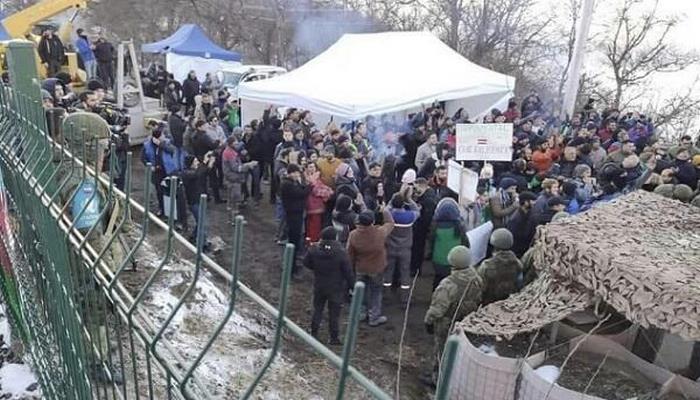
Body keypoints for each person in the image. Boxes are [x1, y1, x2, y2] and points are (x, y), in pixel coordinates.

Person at [424, 245, 482, 386]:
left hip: (447, 324)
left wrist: (428, 321)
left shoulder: (448, 284)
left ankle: (438, 381)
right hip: (467, 322)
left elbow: (437, 309)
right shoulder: (477, 278)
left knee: (442, 352)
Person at [303, 226, 355, 346]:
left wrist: (316, 269)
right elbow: (348, 272)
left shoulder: (314, 249)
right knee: (334, 314)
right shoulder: (341, 253)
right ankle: (334, 338)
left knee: (318, 309)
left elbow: (306, 263)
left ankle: (314, 332)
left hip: (319, 284)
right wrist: (353, 287)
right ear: (335, 238)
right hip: (336, 287)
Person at [347, 207, 394, 327]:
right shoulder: (380, 233)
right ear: (372, 222)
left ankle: (360, 314)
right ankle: (374, 317)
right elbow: (390, 223)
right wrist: (385, 210)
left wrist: (351, 270)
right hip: (377, 269)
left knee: (360, 292)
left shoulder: (353, 235)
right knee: (376, 292)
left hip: (360, 268)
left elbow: (349, 255)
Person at [383, 189, 420, 302]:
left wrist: (395, 196)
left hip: (390, 248)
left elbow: (386, 208)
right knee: (405, 272)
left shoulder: (389, 215)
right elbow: (417, 210)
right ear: (404, 204)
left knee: (388, 271)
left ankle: (386, 295)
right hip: (405, 249)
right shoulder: (409, 216)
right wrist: (408, 198)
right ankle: (405, 297)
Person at [428, 198, 468, 289]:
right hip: (455, 261)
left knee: (438, 280)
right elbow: (466, 244)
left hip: (438, 261)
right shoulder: (459, 227)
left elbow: (431, 243)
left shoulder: (435, 227)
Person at [280, 163, 311, 278]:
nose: (298, 175)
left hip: (296, 214)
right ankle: (290, 269)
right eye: (297, 173)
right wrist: (310, 185)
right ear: (291, 173)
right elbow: (301, 193)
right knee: (293, 241)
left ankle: (292, 265)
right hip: (293, 215)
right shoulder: (287, 184)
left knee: (295, 241)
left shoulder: (291, 182)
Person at [477, 228, 522, 305]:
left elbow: (480, 289)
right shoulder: (518, 264)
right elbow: (519, 285)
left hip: (489, 305)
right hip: (510, 303)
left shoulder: (486, 266)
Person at [182, 154, 215, 249]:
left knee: (200, 221)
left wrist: (209, 164)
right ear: (191, 164)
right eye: (195, 161)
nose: (197, 163)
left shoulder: (192, 172)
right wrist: (204, 162)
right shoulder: (187, 173)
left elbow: (203, 172)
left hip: (199, 200)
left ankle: (193, 236)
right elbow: (198, 174)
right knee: (202, 223)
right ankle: (202, 244)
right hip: (194, 202)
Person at [221, 136, 258, 218]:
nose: (237, 144)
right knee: (234, 199)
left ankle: (232, 218)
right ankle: (234, 219)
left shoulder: (229, 151)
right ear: (231, 143)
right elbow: (236, 168)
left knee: (231, 199)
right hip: (233, 178)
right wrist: (248, 165)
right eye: (235, 142)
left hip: (232, 178)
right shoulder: (229, 153)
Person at [141, 122, 171, 217]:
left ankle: (169, 211)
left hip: (167, 171)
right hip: (156, 172)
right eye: (161, 135)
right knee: (159, 191)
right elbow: (143, 158)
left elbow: (172, 151)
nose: (163, 136)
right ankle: (162, 209)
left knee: (168, 191)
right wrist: (149, 165)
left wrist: (161, 145)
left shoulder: (166, 142)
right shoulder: (147, 145)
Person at [191, 120, 225, 204]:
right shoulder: (204, 136)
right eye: (204, 126)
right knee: (213, 178)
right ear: (200, 127)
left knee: (202, 180)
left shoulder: (194, 135)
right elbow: (212, 145)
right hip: (208, 158)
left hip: (200, 158)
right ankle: (217, 198)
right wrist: (218, 141)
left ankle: (205, 197)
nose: (206, 127)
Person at [411, 178, 438, 277]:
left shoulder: (428, 201)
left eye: (415, 187)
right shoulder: (429, 195)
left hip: (421, 229)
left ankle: (416, 270)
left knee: (418, 249)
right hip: (423, 228)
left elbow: (426, 218)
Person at [305, 162, 333, 243]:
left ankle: (310, 241)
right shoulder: (310, 179)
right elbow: (316, 190)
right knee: (313, 225)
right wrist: (328, 192)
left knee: (314, 225)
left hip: (316, 205)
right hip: (313, 205)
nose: (312, 168)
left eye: (313, 167)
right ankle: (313, 242)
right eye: (310, 167)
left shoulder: (316, 177)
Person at [507, 191, 538, 257]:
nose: (535, 203)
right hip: (519, 252)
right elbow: (516, 239)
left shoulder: (530, 213)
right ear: (525, 202)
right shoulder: (515, 219)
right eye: (532, 201)